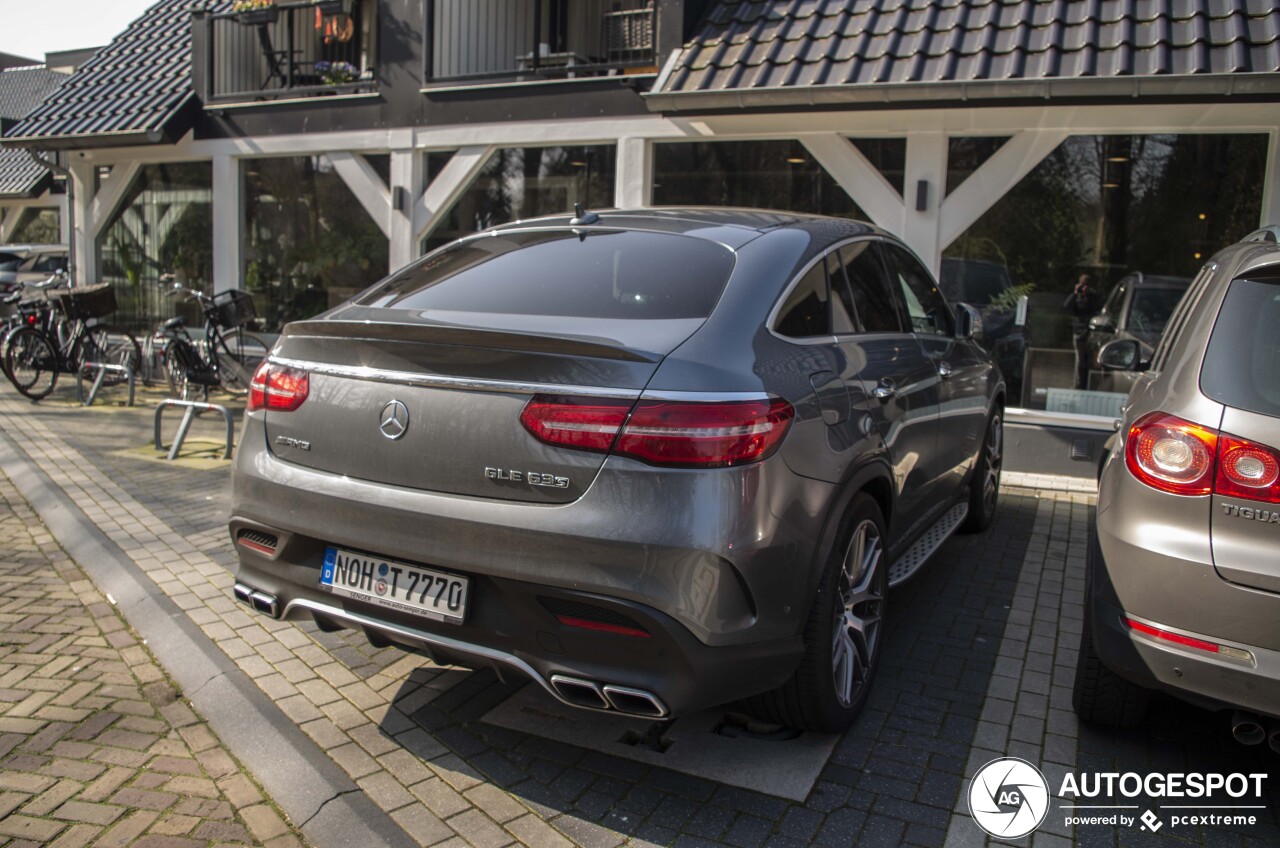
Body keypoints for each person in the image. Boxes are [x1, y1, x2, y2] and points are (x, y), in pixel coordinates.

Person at [1063, 274, 1101, 390]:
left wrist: (1089, 294)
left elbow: (1097, 307)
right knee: (1080, 360)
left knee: (1091, 360)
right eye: (1082, 285)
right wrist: (1075, 293)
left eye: (1086, 286)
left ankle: (1091, 385)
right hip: (1079, 330)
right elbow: (1065, 306)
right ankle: (1079, 385)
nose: (1083, 288)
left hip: (1090, 331)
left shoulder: (1092, 296)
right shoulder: (1076, 297)